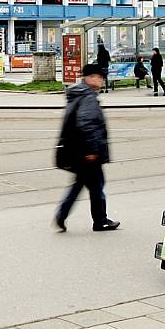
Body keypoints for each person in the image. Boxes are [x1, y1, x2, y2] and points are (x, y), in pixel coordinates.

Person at [54, 63, 121, 233]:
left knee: (83, 185)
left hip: (78, 150)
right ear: (90, 78)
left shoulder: (79, 94)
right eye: (99, 77)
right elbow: (87, 124)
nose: (102, 80)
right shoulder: (88, 97)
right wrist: (92, 150)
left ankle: (64, 215)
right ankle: (99, 221)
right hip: (87, 152)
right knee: (96, 186)